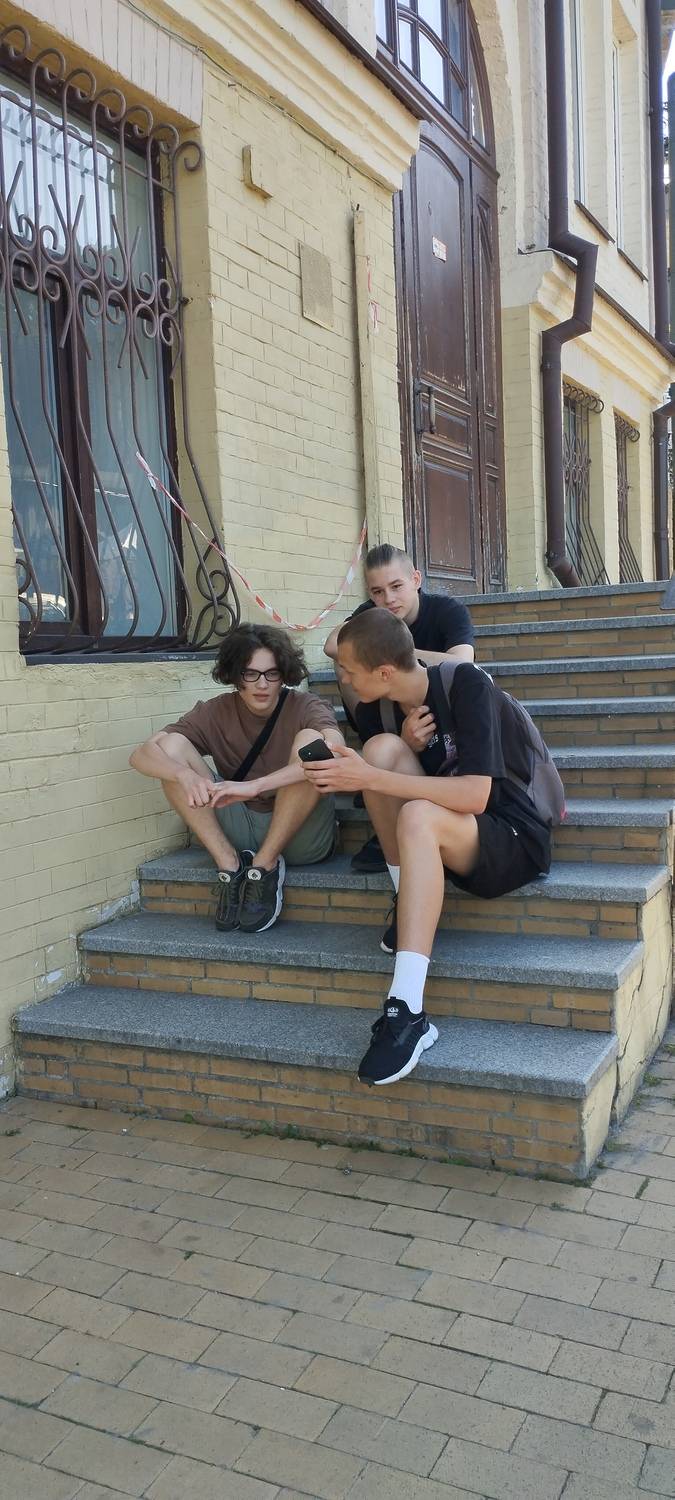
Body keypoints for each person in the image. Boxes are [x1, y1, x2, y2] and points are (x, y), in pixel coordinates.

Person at [303, 608, 553, 1086]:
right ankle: (408, 901)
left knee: (411, 807)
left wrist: (370, 778)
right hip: (450, 834)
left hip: (511, 835)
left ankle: (407, 1010)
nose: (343, 680)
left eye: (348, 671)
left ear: (383, 672)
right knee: (380, 750)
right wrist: (382, 761)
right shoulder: (380, 709)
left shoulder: (466, 685)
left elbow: (476, 795)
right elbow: (388, 773)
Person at [130, 624, 344, 934]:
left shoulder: (306, 706)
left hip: (301, 834)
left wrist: (255, 786)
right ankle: (230, 867)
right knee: (170, 748)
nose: (262, 684)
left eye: (271, 673)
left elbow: (336, 753)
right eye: (250, 674)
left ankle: (265, 865)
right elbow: (141, 754)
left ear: (284, 674)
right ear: (234, 675)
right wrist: (183, 774)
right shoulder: (215, 711)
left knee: (312, 743)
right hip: (239, 827)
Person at [323, 544, 475, 873]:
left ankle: (381, 777)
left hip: (443, 717)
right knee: (347, 661)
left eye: (396, 586)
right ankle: (378, 761)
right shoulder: (372, 613)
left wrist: (397, 654)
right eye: (378, 592)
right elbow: (331, 644)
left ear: (416, 579)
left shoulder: (446, 610)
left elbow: (463, 663)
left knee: (363, 660)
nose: (389, 599)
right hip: (392, 719)